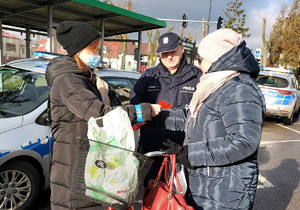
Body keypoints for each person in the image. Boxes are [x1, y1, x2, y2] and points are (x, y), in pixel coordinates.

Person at [45, 21, 161, 210]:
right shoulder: (68, 80)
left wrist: (129, 119)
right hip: (73, 173)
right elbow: (99, 114)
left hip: (86, 165)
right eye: (93, 49)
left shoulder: (83, 76)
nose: (97, 55)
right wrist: (143, 110)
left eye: (98, 49)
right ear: (78, 50)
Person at [162, 29, 266, 210]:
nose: (198, 64)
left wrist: (190, 154)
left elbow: (243, 142)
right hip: (209, 185)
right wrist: (156, 116)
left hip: (226, 192)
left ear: (216, 59)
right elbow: (193, 117)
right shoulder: (219, 85)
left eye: (200, 59)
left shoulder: (239, 88)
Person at [130, 32, 202, 186]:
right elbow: (135, 99)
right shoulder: (149, 76)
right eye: (164, 53)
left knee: (181, 194)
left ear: (182, 49)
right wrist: (146, 109)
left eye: (172, 52)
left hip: (183, 147)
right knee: (151, 191)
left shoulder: (197, 76)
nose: (169, 57)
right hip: (152, 145)